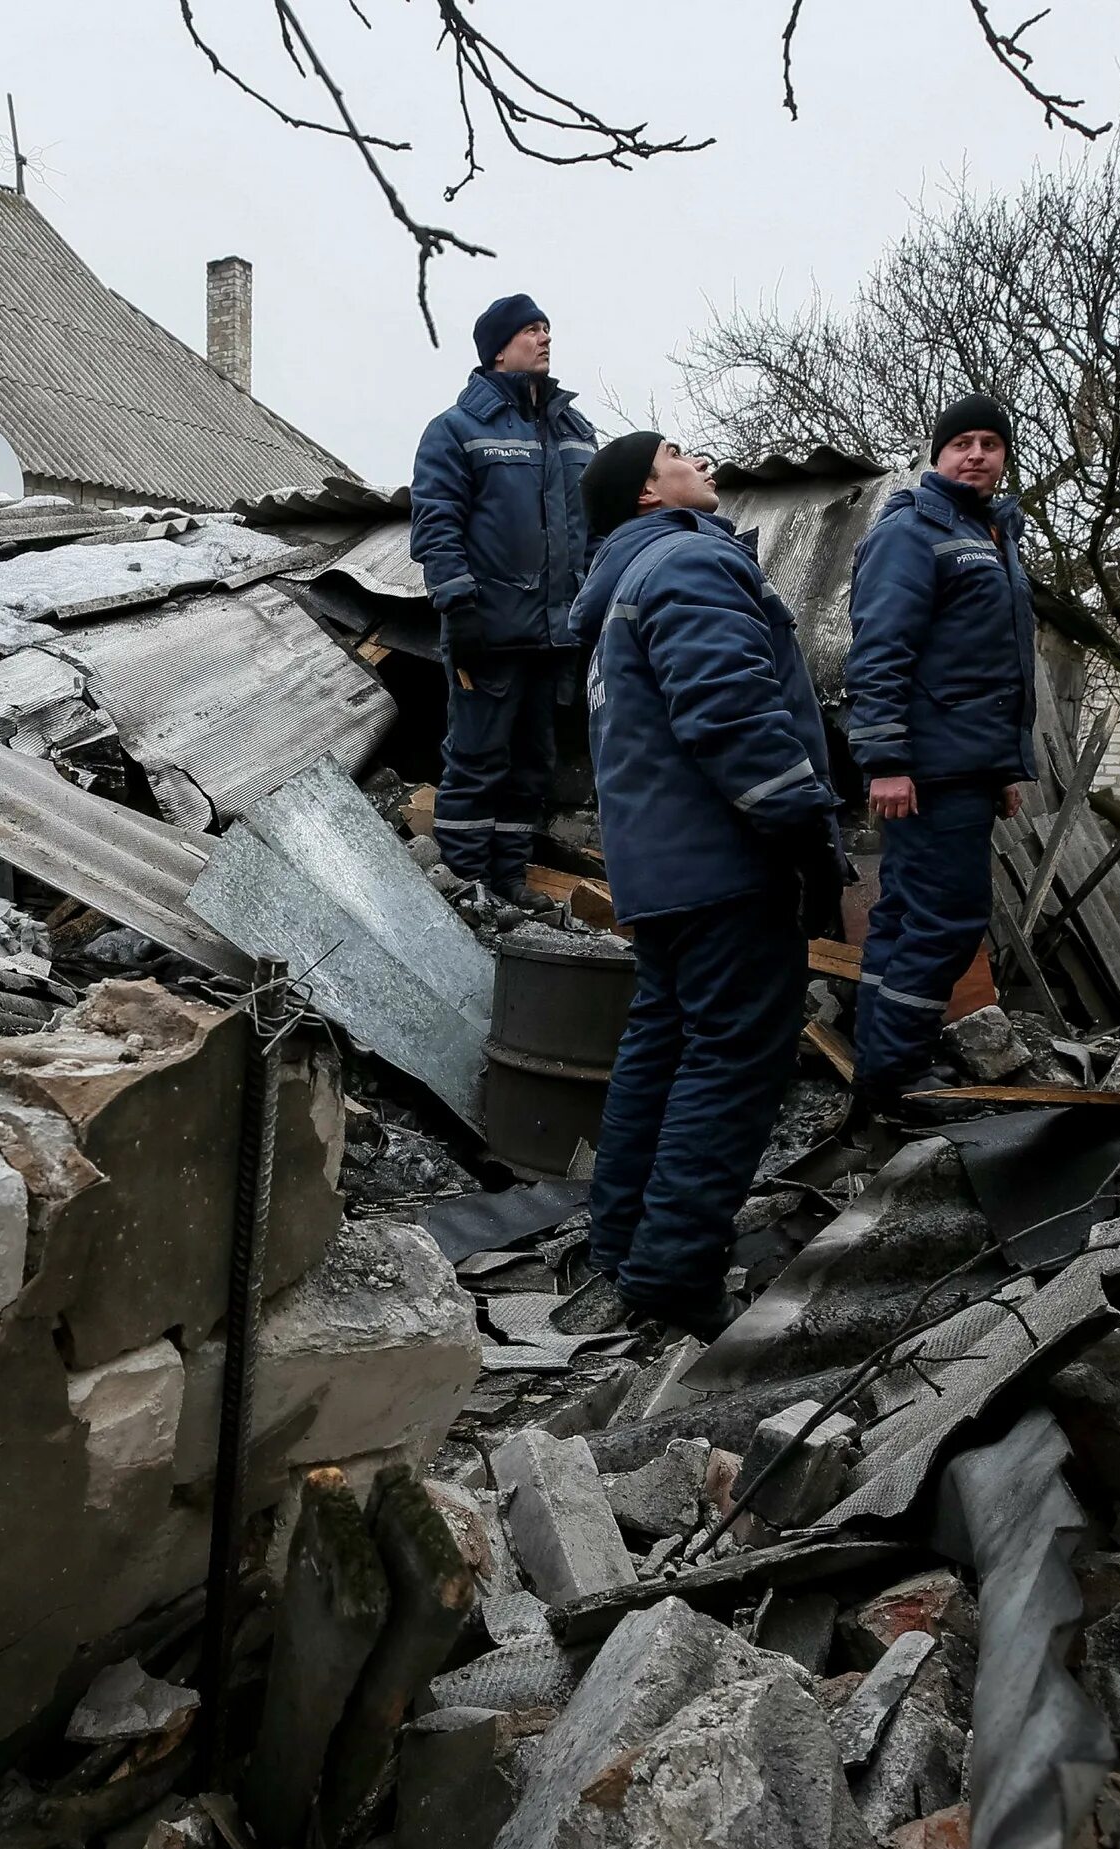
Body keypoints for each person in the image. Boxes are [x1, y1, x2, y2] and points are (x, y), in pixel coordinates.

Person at [569, 431, 848, 1339]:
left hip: (661, 871)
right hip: (725, 861)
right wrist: (804, 828)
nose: (706, 464)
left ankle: (621, 1240)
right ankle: (675, 1270)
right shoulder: (688, 561)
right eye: (683, 455)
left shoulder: (621, 595)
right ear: (651, 494)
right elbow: (731, 710)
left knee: (663, 1043)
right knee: (732, 1056)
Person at [842, 392, 1038, 1117]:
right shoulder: (914, 530)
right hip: (925, 767)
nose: (977, 454)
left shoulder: (992, 533)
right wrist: (886, 760)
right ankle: (898, 1078)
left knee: (902, 913)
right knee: (949, 915)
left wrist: (1001, 771)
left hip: (963, 766)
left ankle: (878, 1066)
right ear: (937, 453)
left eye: (990, 442)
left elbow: (992, 663)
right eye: (962, 442)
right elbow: (880, 652)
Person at [408, 293, 599, 899]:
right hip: (487, 630)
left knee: (532, 762)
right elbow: (436, 523)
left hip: (553, 635)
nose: (545, 338)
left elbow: (595, 529)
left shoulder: (575, 431)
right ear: (497, 348)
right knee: (477, 755)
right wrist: (457, 604)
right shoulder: (456, 430)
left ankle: (509, 880)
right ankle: (465, 887)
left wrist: (590, 608)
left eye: (548, 328)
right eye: (531, 330)